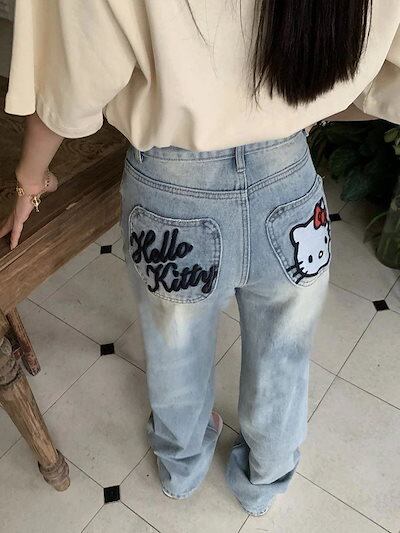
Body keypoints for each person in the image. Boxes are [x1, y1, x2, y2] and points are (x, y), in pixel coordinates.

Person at [1, 0, 399, 517]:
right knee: (285, 351)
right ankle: (265, 479)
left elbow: (68, 81)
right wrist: (301, 110)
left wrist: (30, 181)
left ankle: (182, 466)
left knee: (175, 349)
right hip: (290, 183)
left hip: (171, 188)